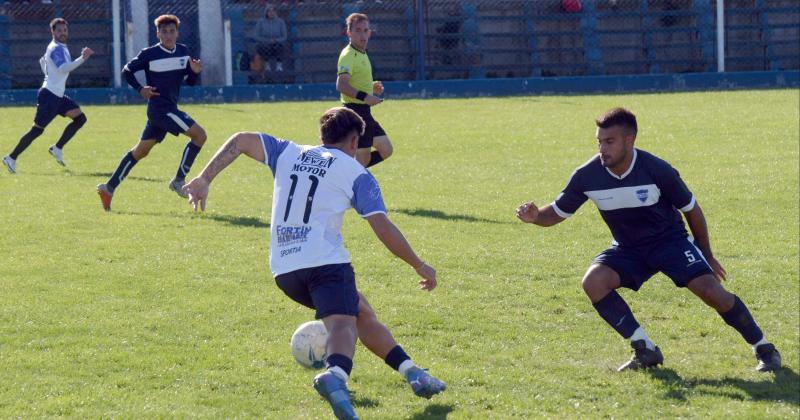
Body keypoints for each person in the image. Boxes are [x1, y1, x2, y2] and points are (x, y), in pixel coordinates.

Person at [182, 107, 446, 419]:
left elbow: (240, 140)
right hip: (325, 263)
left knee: (361, 311)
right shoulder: (356, 172)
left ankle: (413, 372)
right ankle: (335, 377)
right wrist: (418, 263)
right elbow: (383, 227)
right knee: (343, 324)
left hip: (285, 270)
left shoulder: (288, 152)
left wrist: (203, 178)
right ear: (353, 141)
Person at [515, 107, 781, 372]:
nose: (602, 149)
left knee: (713, 293)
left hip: (670, 242)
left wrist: (706, 254)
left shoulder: (656, 169)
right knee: (594, 282)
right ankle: (645, 349)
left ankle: (764, 348)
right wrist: (536, 215)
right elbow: (557, 213)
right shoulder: (587, 175)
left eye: (609, 142)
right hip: (628, 248)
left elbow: (692, 210)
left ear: (629, 141)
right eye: (599, 141)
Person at [96, 14, 206, 211]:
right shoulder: (149, 54)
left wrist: (195, 72)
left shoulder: (183, 52)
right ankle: (179, 181)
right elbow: (127, 71)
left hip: (166, 110)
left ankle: (108, 188)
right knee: (200, 135)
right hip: (160, 110)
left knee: (140, 152)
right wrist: (141, 89)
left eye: (172, 31)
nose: (169, 35)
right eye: (164, 31)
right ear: (158, 34)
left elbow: (189, 81)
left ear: (177, 33)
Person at [3, 18, 93, 174]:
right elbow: (64, 68)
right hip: (50, 96)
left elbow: (45, 65)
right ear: (53, 32)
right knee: (37, 130)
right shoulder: (56, 48)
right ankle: (11, 158)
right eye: (59, 30)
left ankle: (57, 148)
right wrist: (82, 58)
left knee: (80, 118)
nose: (63, 33)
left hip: (57, 95)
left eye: (65, 30)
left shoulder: (58, 47)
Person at [336, 13, 392, 168]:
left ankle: (348, 169)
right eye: (358, 30)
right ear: (349, 33)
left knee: (386, 149)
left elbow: (354, 80)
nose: (363, 35)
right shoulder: (348, 55)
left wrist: (370, 86)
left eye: (366, 30)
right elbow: (341, 85)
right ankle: (348, 175)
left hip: (364, 112)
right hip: (355, 113)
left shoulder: (361, 52)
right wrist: (365, 96)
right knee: (362, 161)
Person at [252, 5, 287, 73]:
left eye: (273, 11)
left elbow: (284, 36)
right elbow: (256, 36)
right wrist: (267, 40)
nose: (271, 13)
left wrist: (276, 40)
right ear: (266, 12)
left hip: (276, 43)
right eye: (269, 11)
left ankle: (279, 66)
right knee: (264, 47)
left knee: (279, 47)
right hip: (264, 43)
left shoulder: (281, 22)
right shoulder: (260, 22)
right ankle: (267, 65)